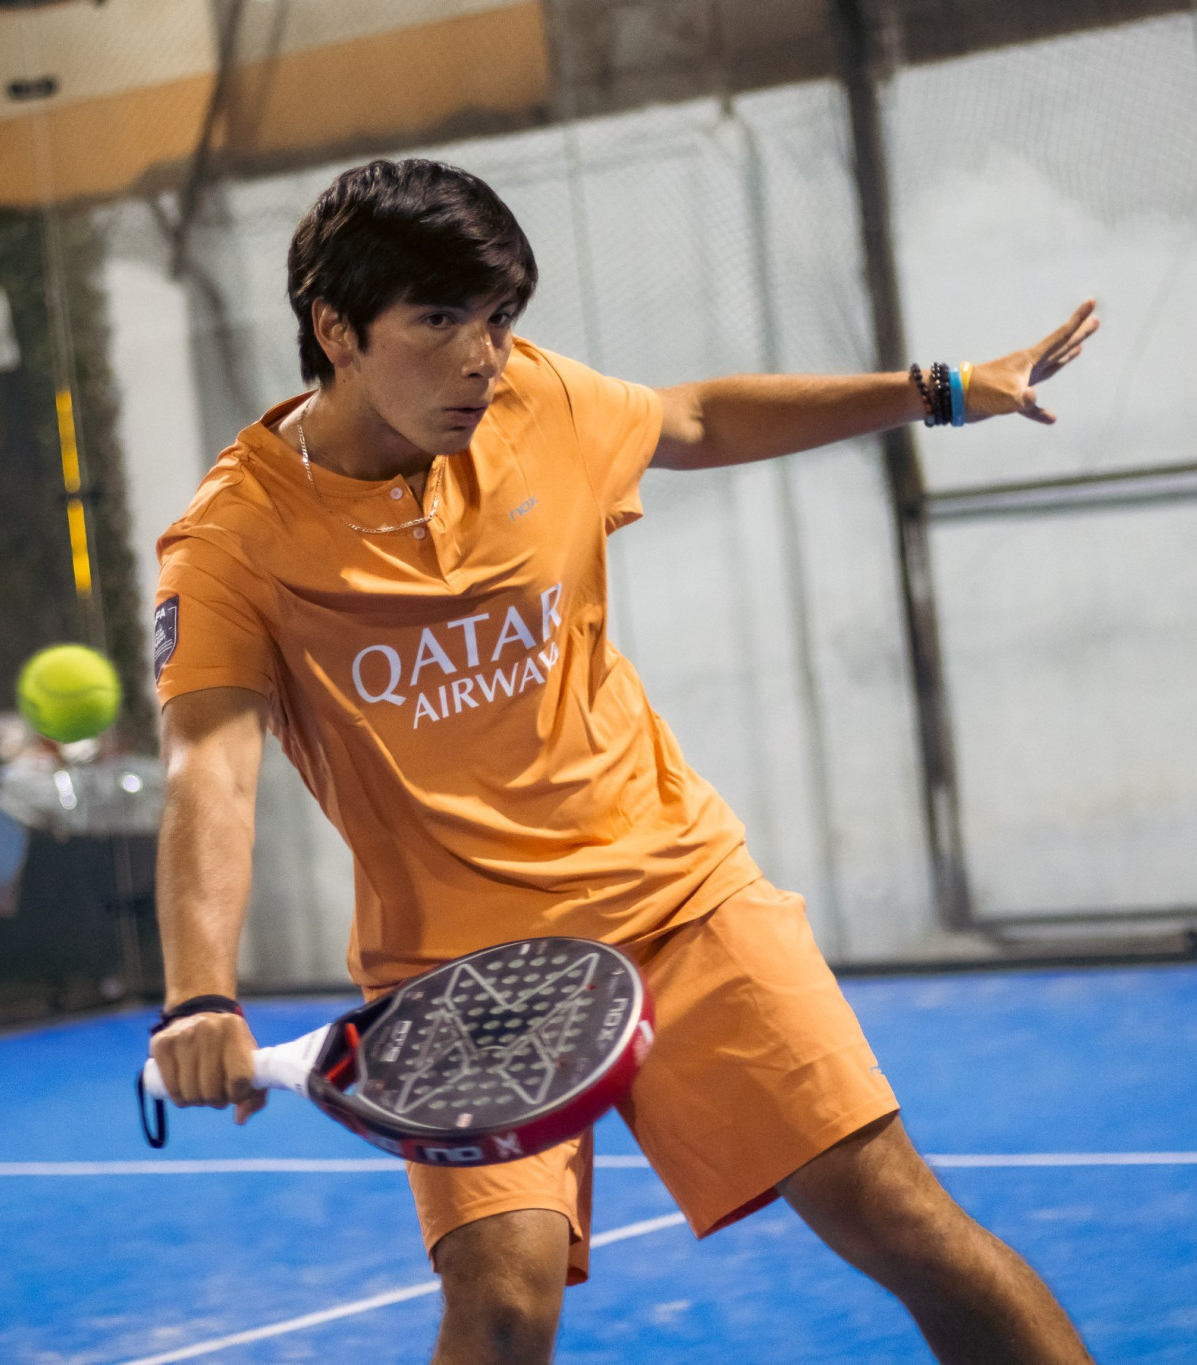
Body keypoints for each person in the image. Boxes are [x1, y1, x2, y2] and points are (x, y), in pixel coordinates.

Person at [147, 158, 1098, 1365]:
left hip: (676, 900)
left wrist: (942, 390)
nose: (481, 359)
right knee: (501, 1309)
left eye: (498, 319)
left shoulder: (534, 402)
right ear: (335, 330)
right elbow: (210, 769)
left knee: (899, 1220)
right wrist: (199, 995)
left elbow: (689, 420)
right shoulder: (231, 542)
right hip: (464, 974)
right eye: (438, 322)